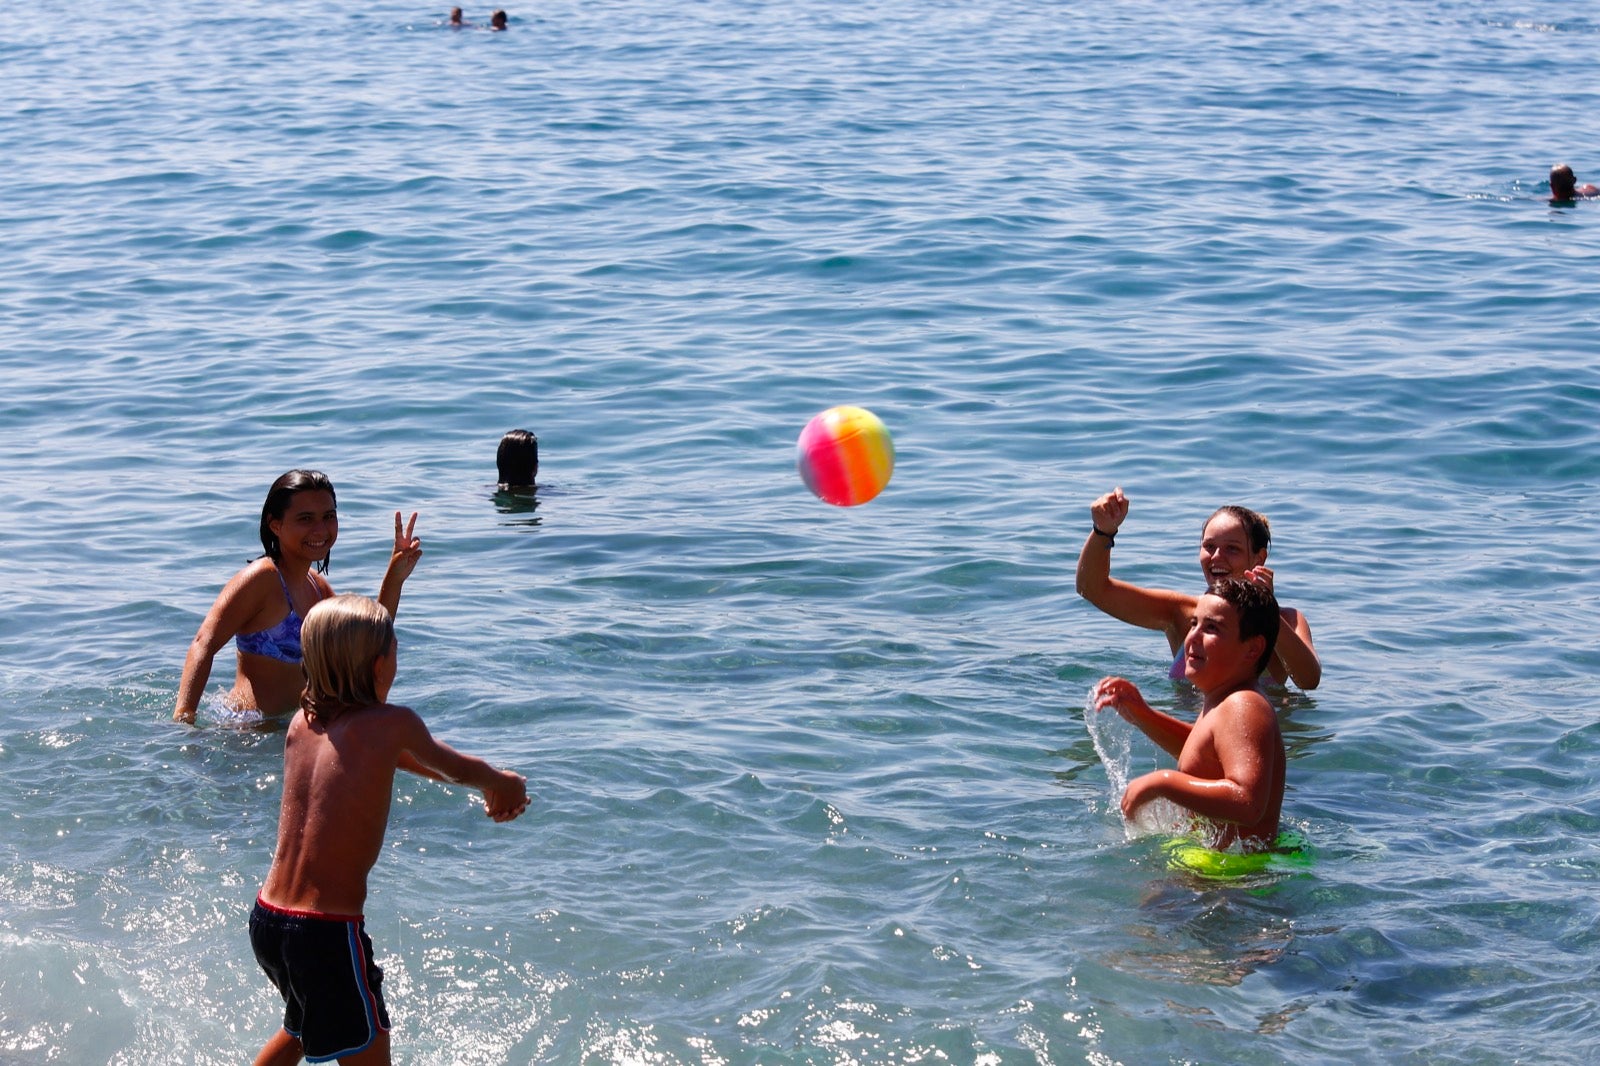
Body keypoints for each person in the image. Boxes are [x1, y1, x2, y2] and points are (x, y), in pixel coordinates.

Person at [249, 595, 529, 1066]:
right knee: (365, 1040)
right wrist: (502, 783)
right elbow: (452, 766)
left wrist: (483, 789)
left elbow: (403, 762)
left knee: (301, 1024)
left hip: (270, 920)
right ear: (380, 667)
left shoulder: (303, 724)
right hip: (326, 931)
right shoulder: (393, 722)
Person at [173, 470, 423, 724]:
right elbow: (204, 643)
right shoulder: (262, 579)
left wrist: (395, 578)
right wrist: (184, 723)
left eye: (328, 516)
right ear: (275, 525)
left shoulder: (318, 588)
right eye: (306, 519)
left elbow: (366, 644)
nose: (320, 529)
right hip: (244, 729)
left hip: (292, 733)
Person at [1091, 578, 1284, 850]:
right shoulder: (1225, 700)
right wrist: (1144, 715)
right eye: (1194, 624)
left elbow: (1248, 802)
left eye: (1212, 628)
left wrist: (1162, 783)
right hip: (1224, 873)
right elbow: (1205, 754)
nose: (1193, 636)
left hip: (1234, 884)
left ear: (1252, 648)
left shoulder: (1243, 705)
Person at [1075, 487, 1320, 689]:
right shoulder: (1183, 613)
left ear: (1259, 558)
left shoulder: (1286, 620)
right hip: (1190, 738)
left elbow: (1308, 681)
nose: (1216, 557)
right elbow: (1092, 588)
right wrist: (1103, 532)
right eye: (1209, 546)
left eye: (1232, 549)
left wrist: (1268, 612)